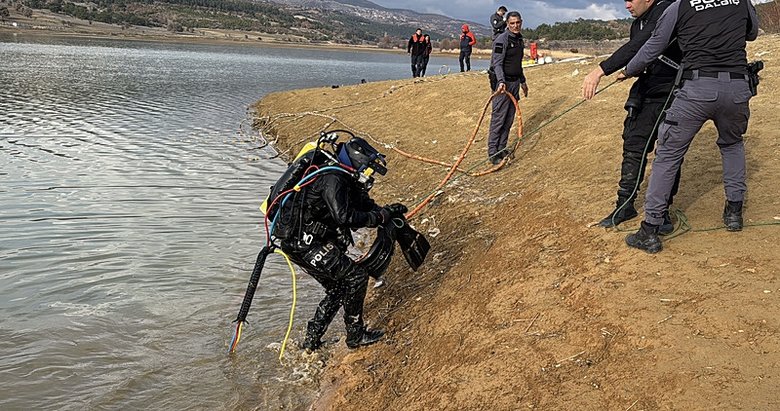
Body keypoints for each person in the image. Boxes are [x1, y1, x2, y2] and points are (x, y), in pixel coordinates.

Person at [619, 0, 759, 253]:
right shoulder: (741, 2)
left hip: (697, 89)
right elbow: (752, 33)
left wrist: (629, 70)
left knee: (668, 154)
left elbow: (653, 46)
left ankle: (650, 229)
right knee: (732, 145)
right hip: (737, 88)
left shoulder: (680, 6)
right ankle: (734, 213)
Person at [274, 137, 408, 349]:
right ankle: (355, 335)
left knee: (339, 287)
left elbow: (362, 205)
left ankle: (310, 344)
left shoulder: (344, 177)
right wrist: (379, 218)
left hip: (306, 241)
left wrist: (386, 211)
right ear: (356, 161)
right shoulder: (333, 178)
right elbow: (344, 217)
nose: (368, 174)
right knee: (356, 277)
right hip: (303, 243)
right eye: (367, 168)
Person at [581, 0, 683, 234]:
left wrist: (600, 70)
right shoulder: (637, 23)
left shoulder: (666, 11)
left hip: (672, 90)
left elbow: (641, 44)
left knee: (666, 151)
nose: (626, 5)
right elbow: (638, 49)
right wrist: (629, 72)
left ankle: (662, 211)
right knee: (633, 145)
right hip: (646, 90)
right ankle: (625, 205)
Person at [487, 11, 529, 165]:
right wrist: (500, 81)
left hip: (515, 83)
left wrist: (523, 81)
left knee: (509, 118)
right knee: (499, 119)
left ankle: (501, 148)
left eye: (517, 22)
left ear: (521, 22)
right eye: (512, 23)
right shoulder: (501, 39)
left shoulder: (519, 39)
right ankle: (493, 153)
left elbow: (517, 63)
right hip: (502, 85)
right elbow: (497, 63)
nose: (515, 25)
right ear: (507, 24)